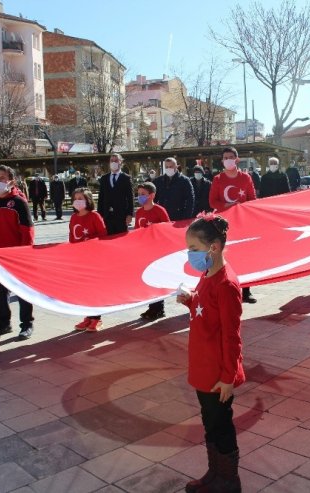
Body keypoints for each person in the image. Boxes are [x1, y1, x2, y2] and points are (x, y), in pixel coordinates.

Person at [177, 213, 245, 493]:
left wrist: (228, 377)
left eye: (193, 249)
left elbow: (231, 336)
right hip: (203, 366)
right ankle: (214, 473)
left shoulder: (226, 285)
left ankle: (229, 481)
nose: (190, 254)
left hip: (218, 373)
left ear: (213, 247)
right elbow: (207, 313)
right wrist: (191, 301)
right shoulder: (208, 274)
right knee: (210, 423)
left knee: (221, 426)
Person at [0, 165, 35, 340]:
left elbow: (27, 230)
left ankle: (27, 324)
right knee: (0, 291)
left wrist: (24, 253)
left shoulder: (18, 202)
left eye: (2, 178)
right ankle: (4, 323)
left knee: (22, 291)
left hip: (17, 255)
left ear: (11, 181)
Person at [209, 147, 257, 303]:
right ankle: (224, 290)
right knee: (223, 256)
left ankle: (246, 291)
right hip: (223, 224)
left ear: (237, 159)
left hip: (242, 223)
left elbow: (252, 200)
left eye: (231, 157)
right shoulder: (218, 179)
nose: (228, 159)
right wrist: (228, 207)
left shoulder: (246, 178)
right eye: (225, 157)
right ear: (222, 160)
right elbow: (212, 201)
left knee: (244, 256)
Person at [69, 188, 107, 331]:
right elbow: (72, 236)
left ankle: (97, 318)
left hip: (93, 258)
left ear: (88, 200)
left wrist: (90, 243)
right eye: (75, 198)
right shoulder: (73, 217)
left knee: (94, 287)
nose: (78, 201)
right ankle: (88, 316)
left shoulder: (94, 216)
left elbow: (103, 235)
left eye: (81, 198)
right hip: (79, 258)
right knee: (84, 288)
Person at [136, 182, 171, 320]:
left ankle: (159, 309)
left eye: (143, 194)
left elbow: (168, 228)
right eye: (139, 194)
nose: (140, 197)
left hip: (158, 251)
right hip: (144, 251)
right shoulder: (139, 212)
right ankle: (151, 308)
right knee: (148, 281)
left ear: (152, 195)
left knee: (157, 280)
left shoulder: (159, 210)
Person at [97, 153, 134, 235]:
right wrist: (99, 214)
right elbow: (101, 197)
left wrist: (130, 214)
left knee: (121, 239)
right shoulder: (104, 178)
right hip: (106, 215)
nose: (113, 162)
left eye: (116, 160)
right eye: (112, 161)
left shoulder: (126, 178)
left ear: (120, 162)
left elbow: (130, 197)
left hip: (121, 215)